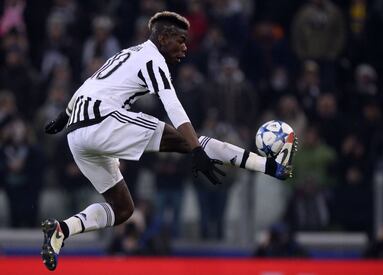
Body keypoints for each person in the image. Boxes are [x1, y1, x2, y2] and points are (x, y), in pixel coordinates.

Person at [40, 11, 297, 271]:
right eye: (181, 40)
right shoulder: (153, 59)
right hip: (103, 121)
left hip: (76, 134)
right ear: (163, 38)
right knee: (193, 140)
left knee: (122, 210)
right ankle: (272, 167)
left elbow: (89, 83)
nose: (185, 47)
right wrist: (195, 149)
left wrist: (64, 117)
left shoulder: (126, 54)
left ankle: (61, 229)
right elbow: (173, 105)